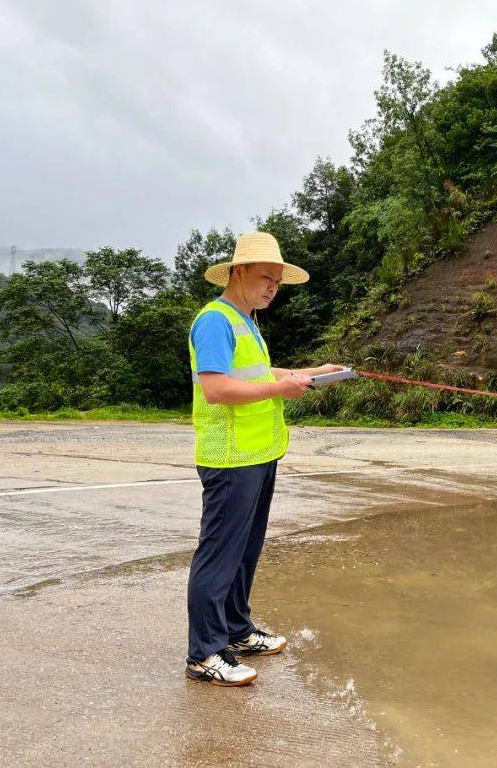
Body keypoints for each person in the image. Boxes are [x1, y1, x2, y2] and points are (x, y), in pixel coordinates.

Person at [184, 231, 345, 687]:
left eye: (277, 280)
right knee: (219, 555)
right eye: (265, 278)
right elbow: (216, 388)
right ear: (238, 273)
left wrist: (311, 374)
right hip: (231, 458)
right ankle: (205, 653)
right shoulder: (215, 321)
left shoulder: (247, 319)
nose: (273, 287)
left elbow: (256, 374)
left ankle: (236, 629)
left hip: (259, 454)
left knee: (244, 552)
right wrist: (282, 388)